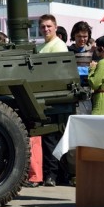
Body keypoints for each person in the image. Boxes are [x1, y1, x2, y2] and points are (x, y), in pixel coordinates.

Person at [36, 14, 68, 187]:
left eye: (49, 26)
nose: (46, 29)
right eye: (43, 27)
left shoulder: (58, 46)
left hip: (55, 98)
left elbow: (58, 73)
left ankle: (53, 176)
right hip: (44, 98)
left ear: (55, 27)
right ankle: (52, 175)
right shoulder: (42, 47)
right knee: (48, 140)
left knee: (52, 140)